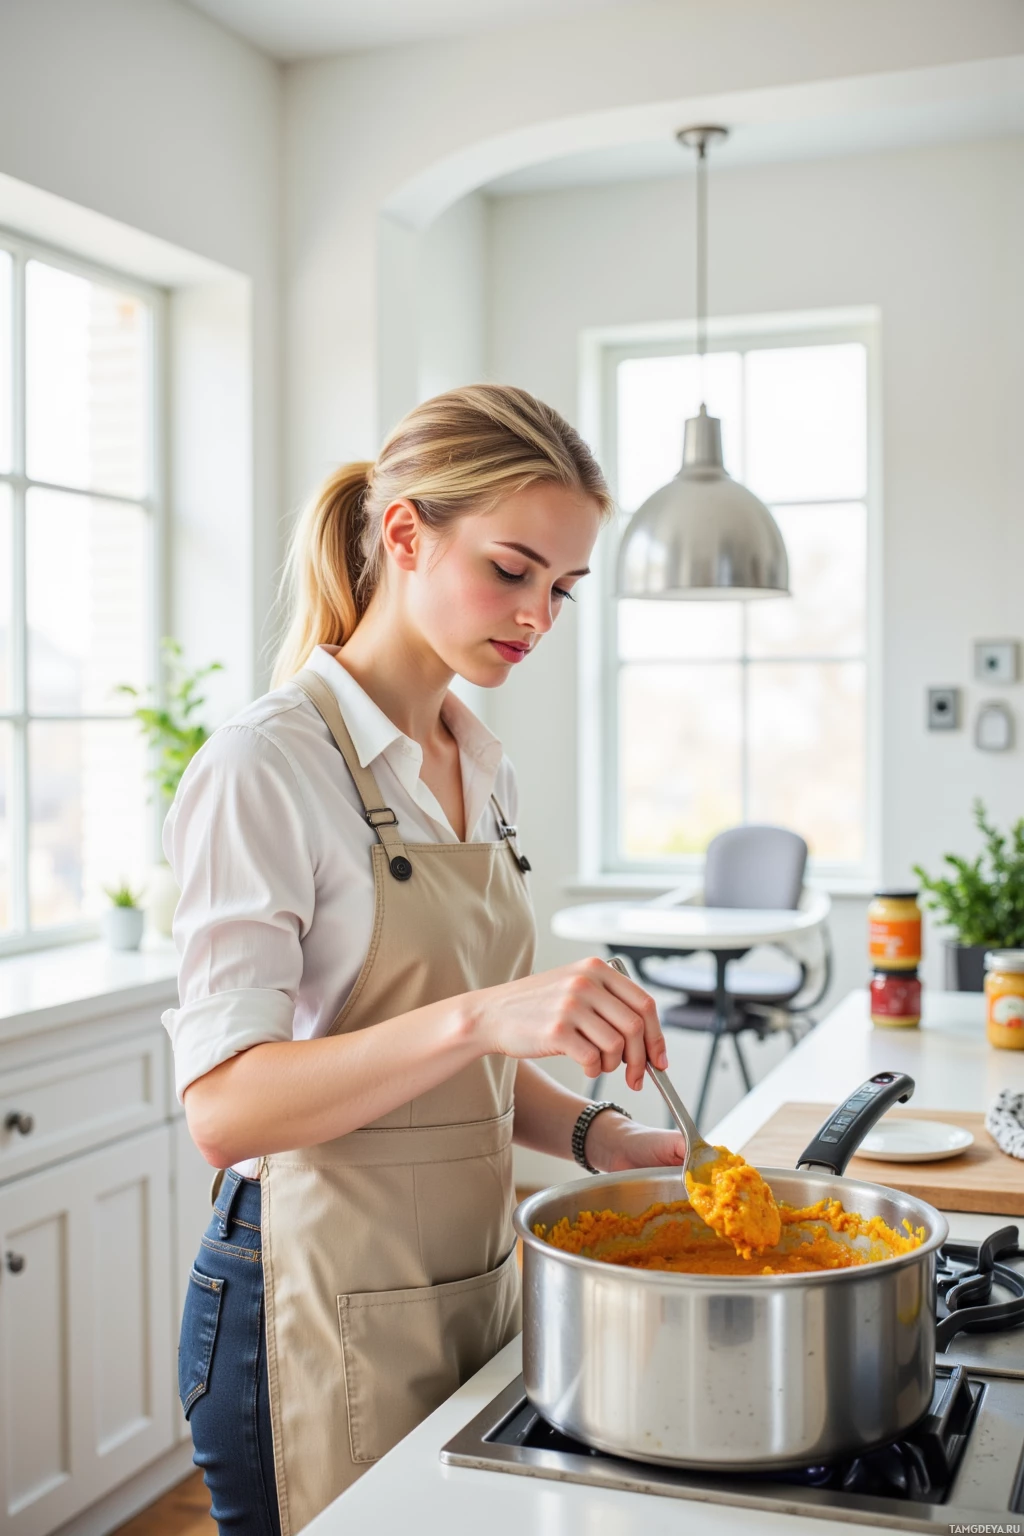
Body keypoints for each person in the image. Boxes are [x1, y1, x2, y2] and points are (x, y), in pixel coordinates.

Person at [165, 385, 686, 1535]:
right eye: (512, 569)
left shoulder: (480, 762)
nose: (539, 615)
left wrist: (610, 1141)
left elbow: (460, 1074)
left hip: (466, 1278)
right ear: (405, 534)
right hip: (301, 1294)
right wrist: (483, 1015)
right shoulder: (266, 764)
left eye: (561, 586)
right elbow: (226, 1110)